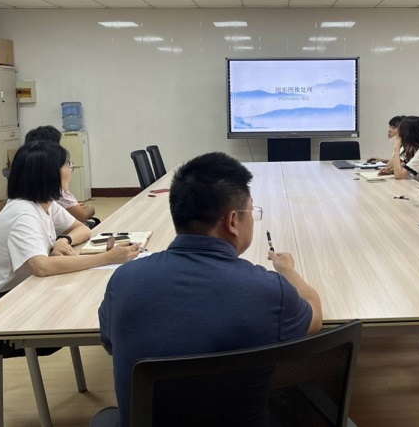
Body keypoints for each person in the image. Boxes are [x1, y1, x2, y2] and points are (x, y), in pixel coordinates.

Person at [99, 152, 323, 427]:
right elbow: (314, 316)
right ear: (232, 221)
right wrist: (288, 271)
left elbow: (111, 343)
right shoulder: (268, 291)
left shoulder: (124, 281)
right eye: (251, 212)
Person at [0, 141, 139, 306]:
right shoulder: (22, 214)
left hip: (21, 286)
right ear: (48, 174)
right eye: (67, 165)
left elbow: (82, 228)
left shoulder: (46, 203)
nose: (70, 170)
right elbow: (42, 266)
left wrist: (64, 240)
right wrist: (107, 258)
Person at [25, 125, 96, 223]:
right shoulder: (54, 192)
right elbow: (82, 216)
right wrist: (90, 208)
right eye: (66, 164)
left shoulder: (49, 202)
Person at [379, 115, 419, 186]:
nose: (399, 135)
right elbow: (404, 170)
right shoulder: (413, 149)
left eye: (401, 131)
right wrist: (391, 171)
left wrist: (396, 148)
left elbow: (399, 175)